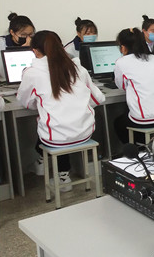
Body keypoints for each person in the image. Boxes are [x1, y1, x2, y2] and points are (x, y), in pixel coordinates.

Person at [17, 31, 105, 188]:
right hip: (85, 132)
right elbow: (98, 99)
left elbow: (26, 103)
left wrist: (45, 104)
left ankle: (60, 176)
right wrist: (76, 106)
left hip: (56, 138)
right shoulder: (79, 69)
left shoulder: (32, 73)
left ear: (35, 51)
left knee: (55, 129)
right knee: (62, 126)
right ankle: (53, 168)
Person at [113, 28, 154, 143]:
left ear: (123, 47)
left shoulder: (121, 62)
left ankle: (139, 149)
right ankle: (149, 145)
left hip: (143, 119)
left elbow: (122, 86)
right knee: (132, 111)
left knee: (119, 123)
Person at [0, 13, 35, 81]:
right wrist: (22, 50)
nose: (28, 38)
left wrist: (29, 49)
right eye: (23, 35)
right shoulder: (0, 43)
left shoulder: (36, 43)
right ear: (12, 32)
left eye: (31, 34)